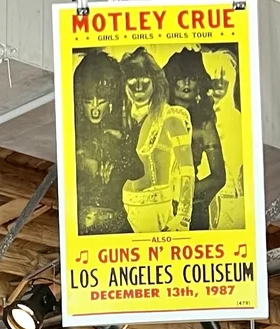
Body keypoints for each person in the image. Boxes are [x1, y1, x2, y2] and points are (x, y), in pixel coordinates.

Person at [119, 48, 195, 234]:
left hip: (157, 209)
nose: (139, 89)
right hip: (125, 210)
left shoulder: (171, 117)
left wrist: (183, 217)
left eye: (145, 82)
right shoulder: (121, 119)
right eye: (132, 82)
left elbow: (187, 170)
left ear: (155, 83)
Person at [71, 50, 139, 235]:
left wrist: (121, 147)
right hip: (82, 229)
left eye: (100, 101)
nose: (94, 107)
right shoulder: (73, 136)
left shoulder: (120, 134)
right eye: (88, 101)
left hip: (116, 224)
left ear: (110, 102)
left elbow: (137, 171)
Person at [164, 49, 225, 230]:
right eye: (181, 77)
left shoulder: (204, 124)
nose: (187, 82)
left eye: (192, 77)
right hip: (158, 206)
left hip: (192, 208)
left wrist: (186, 195)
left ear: (200, 82)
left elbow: (219, 178)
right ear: (171, 80)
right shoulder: (158, 117)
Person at [202, 47, 245, 229]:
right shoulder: (198, 120)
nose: (219, 83)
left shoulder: (239, 120)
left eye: (224, 77)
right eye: (213, 77)